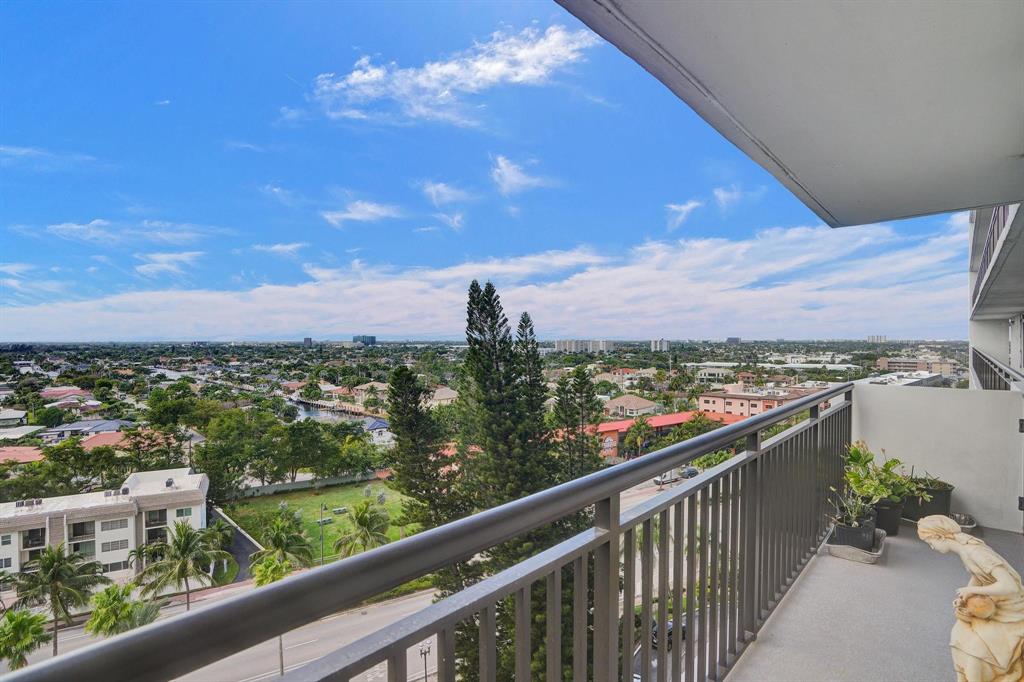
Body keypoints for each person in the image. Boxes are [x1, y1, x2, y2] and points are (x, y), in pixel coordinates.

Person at [918, 515, 1024, 681]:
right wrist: (965, 597)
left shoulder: (976, 552)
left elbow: (1011, 586)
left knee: (977, 649)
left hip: (1011, 610)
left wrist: (971, 590)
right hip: (993, 603)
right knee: (958, 635)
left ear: (940, 537)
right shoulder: (965, 549)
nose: (932, 547)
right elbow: (979, 575)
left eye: (931, 542)